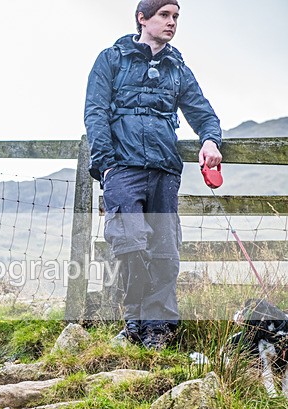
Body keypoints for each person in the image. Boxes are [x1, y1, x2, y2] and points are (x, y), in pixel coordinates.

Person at [84, 0, 222, 350]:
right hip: (122, 168)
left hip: (164, 170)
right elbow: (95, 113)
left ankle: (157, 329)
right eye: (164, 15)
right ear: (142, 18)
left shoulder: (178, 69)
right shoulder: (111, 59)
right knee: (129, 243)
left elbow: (203, 113)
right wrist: (107, 166)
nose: (172, 22)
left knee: (164, 251)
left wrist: (209, 140)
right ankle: (134, 321)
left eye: (175, 16)